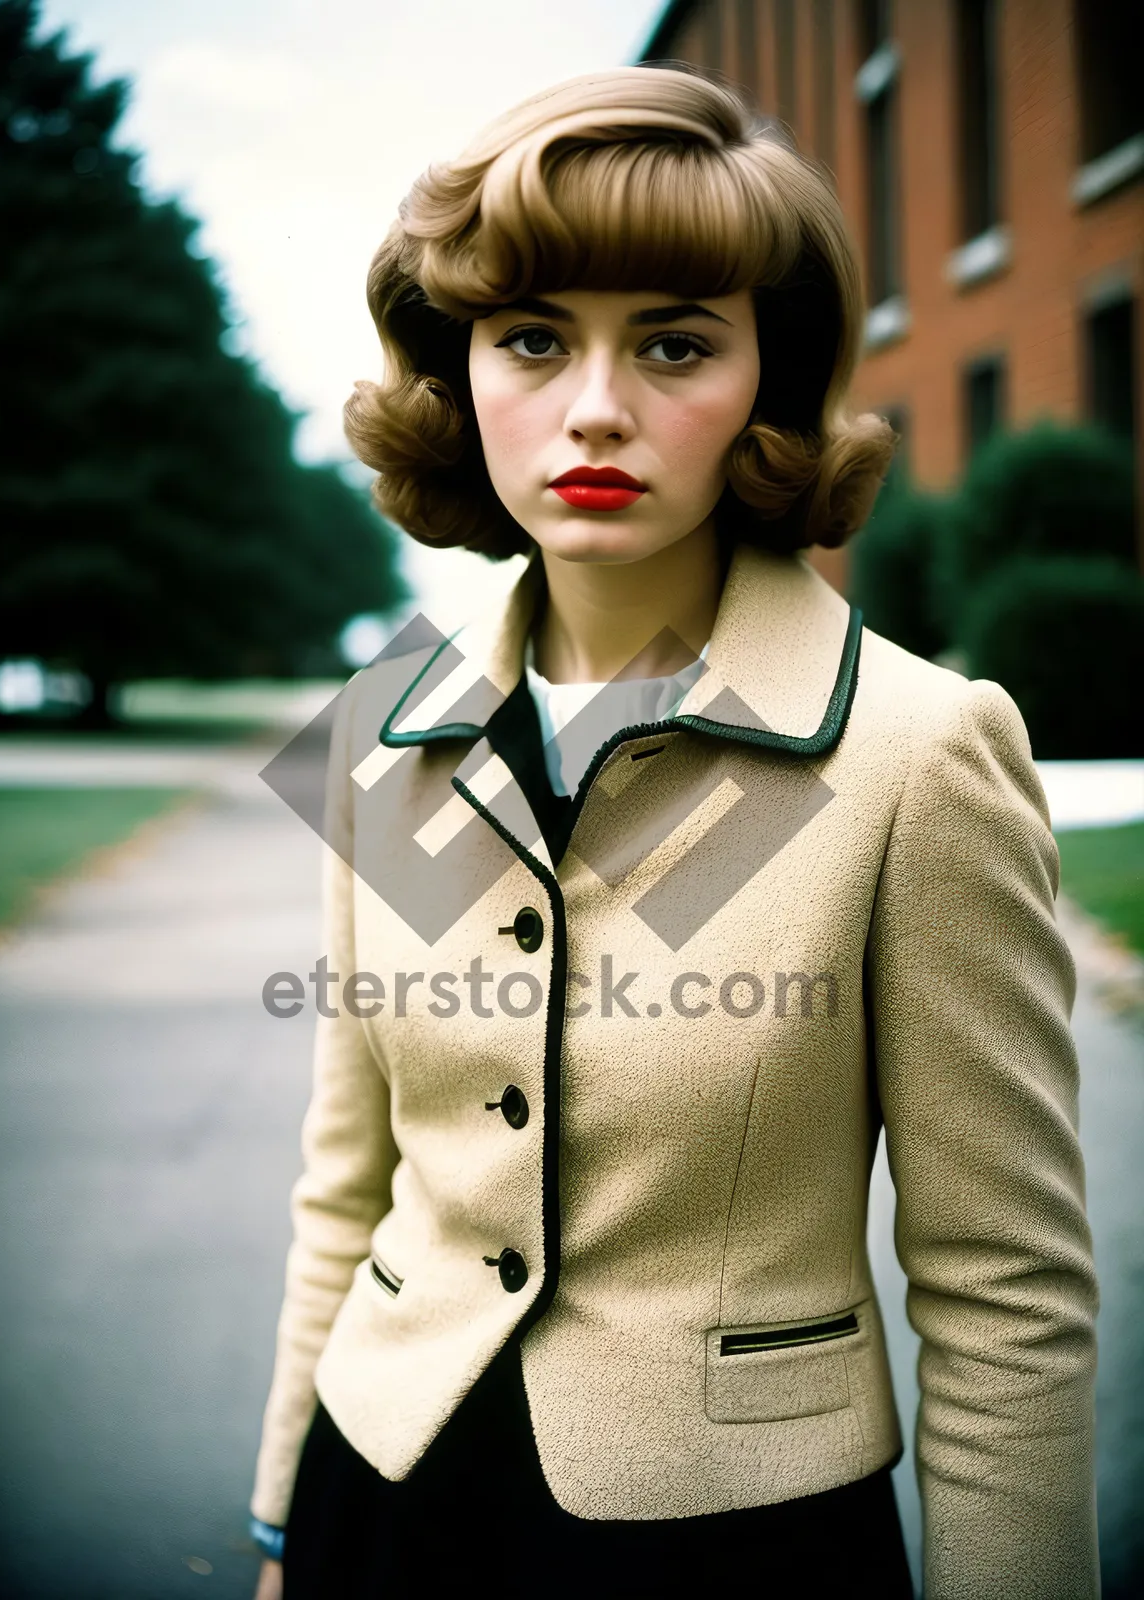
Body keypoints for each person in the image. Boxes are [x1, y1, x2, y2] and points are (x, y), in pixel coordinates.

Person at [248, 67, 1099, 1599]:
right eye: (531, 339)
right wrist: (270, 1525)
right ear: (463, 379)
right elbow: (351, 1183)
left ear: (764, 386)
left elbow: (1006, 1297)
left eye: (675, 343)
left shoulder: (915, 754)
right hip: (374, 1500)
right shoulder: (384, 725)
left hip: (734, 1546)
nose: (595, 407)